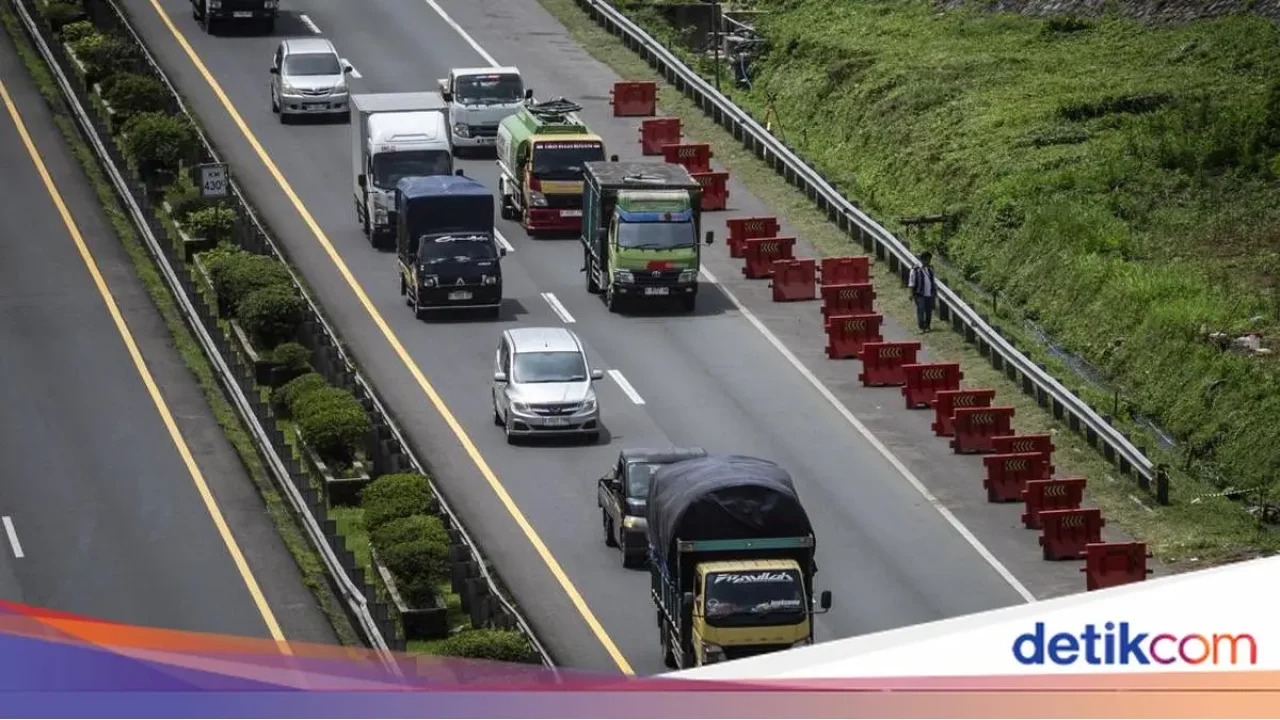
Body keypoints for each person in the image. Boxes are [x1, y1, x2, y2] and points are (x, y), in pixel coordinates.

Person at [907, 251, 936, 332]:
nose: (929, 262)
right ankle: (922, 327)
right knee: (921, 310)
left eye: (929, 260)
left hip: (929, 293)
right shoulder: (915, 269)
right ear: (923, 260)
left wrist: (934, 292)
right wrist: (911, 294)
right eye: (927, 260)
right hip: (919, 293)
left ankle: (928, 325)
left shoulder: (930, 269)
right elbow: (911, 282)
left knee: (928, 311)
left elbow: (933, 280)